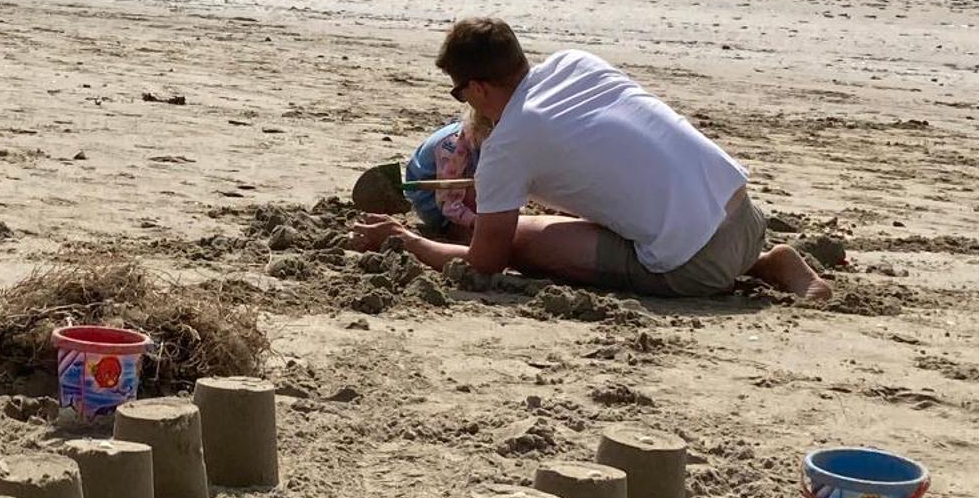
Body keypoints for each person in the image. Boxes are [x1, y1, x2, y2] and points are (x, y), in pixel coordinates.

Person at [351, 17, 831, 303]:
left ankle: (749, 267)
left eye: (458, 90)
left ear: (476, 87)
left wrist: (406, 240)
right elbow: (604, 162)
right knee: (630, 216)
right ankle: (767, 262)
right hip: (744, 217)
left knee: (517, 241)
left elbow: (484, 263)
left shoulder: (508, 145)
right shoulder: (576, 63)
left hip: (695, 266)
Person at [351, 107, 490, 241]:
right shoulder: (453, 148)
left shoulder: (484, 138)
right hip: (432, 198)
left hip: (455, 182)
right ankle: (458, 228)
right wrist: (476, 222)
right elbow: (447, 202)